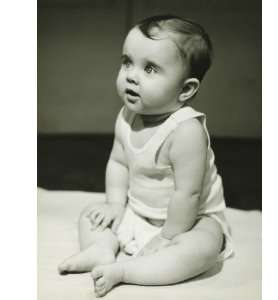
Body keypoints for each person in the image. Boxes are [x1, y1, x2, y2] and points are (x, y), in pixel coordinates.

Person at [58, 14, 233, 297]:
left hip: (189, 220)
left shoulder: (186, 131)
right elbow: (118, 161)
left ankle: (127, 271)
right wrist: (115, 205)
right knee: (91, 215)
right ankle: (101, 249)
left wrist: (168, 237)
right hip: (138, 211)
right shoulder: (128, 116)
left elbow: (187, 194)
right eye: (127, 62)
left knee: (203, 246)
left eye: (150, 68)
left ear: (186, 89)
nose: (131, 75)